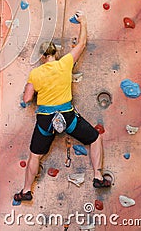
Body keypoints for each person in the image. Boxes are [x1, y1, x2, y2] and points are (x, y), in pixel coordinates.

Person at [14, 11, 111, 202]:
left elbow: (26, 99)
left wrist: (30, 89)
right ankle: (98, 177)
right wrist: (82, 21)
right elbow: (81, 44)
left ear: (42, 57)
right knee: (94, 138)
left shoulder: (35, 74)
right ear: (55, 53)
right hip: (67, 117)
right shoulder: (65, 63)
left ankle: (26, 191)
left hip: (45, 120)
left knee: (35, 156)